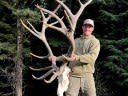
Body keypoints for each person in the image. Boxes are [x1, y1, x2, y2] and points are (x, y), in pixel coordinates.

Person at [49, 19, 100, 96]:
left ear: (92, 29)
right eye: (86, 26)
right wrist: (56, 58)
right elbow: (68, 55)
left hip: (87, 75)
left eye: (90, 27)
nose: (87, 29)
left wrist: (77, 57)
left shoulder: (95, 42)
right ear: (82, 27)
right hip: (73, 75)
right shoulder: (75, 41)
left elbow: (92, 57)